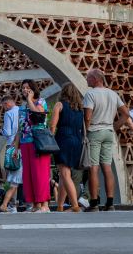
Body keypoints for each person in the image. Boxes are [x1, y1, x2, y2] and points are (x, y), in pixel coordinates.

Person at [82, 68, 130, 212]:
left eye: (88, 78)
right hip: (109, 132)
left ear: (96, 79)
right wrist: (115, 126)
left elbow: (88, 117)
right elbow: (126, 113)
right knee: (107, 167)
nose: (86, 80)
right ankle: (110, 203)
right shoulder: (112, 94)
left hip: (94, 132)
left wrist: (86, 131)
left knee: (93, 168)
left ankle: (94, 202)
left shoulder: (90, 94)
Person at [15, 79, 50, 213]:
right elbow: (20, 128)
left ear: (33, 89)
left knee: (39, 173)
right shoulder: (22, 108)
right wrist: (16, 146)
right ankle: (35, 204)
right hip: (25, 142)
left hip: (38, 141)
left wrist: (30, 100)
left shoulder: (40, 102)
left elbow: (38, 114)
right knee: (28, 175)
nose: (25, 90)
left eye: (28, 88)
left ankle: (44, 204)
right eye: (23, 88)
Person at [50, 83, 84, 213]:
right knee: (64, 173)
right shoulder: (80, 108)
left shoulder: (60, 105)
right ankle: (60, 206)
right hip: (77, 141)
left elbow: (53, 125)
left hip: (63, 139)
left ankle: (75, 205)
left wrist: (50, 139)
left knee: (64, 173)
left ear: (63, 92)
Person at [0, 96, 22, 213]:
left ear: (7, 103)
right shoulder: (21, 110)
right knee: (21, 175)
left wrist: (1, 131)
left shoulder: (8, 114)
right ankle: (27, 204)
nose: (4, 108)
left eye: (3, 106)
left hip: (12, 146)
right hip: (24, 145)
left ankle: (11, 205)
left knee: (12, 175)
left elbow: (7, 132)